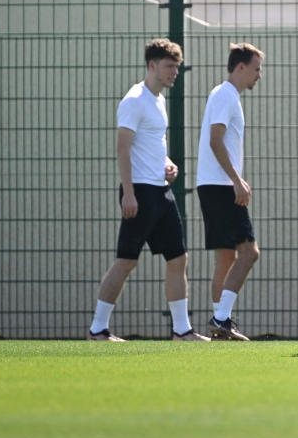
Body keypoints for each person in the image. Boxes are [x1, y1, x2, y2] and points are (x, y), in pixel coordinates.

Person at [88, 39, 209, 341]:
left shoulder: (159, 101)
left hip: (161, 192)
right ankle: (97, 330)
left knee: (178, 258)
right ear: (152, 66)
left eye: (177, 68)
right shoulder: (134, 99)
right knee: (126, 260)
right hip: (139, 194)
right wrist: (128, 194)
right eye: (170, 67)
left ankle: (182, 331)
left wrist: (167, 164)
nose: (174, 73)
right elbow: (123, 149)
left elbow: (151, 143)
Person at [197, 43, 264, 341]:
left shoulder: (222, 94)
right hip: (222, 187)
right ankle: (221, 318)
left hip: (211, 185)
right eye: (256, 69)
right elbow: (215, 140)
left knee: (225, 258)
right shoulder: (226, 94)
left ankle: (220, 329)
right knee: (249, 253)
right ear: (241, 67)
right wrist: (237, 180)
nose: (258, 75)